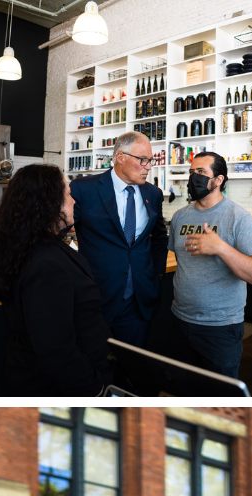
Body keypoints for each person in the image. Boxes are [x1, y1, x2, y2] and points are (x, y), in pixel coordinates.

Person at [0, 163, 113, 397]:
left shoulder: (27, 250)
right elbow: (56, 349)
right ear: (47, 202)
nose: (74, 200)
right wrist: (95, 388)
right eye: (67, 193)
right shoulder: (46, 264)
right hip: (62, 387)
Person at [167, 152, 252, 379]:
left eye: (201, 172)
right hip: (180, 320)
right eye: (192, 172)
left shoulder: (238, 217)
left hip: (220, 328)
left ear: (219, 180)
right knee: (184, 394)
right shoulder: (179, 217)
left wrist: (221, 247)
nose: (194, 177)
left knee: (219, 400)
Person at [69, 131, 168, 350]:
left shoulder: (154, 193)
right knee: (97, 364)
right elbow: (59, 232)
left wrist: (156, 273)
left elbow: (160, 237)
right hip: (97, 297)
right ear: (120, 158)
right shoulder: (83, 189)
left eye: (150, 161)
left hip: (139, 300)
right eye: (142, 160)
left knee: (133, 367)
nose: (148, 167)